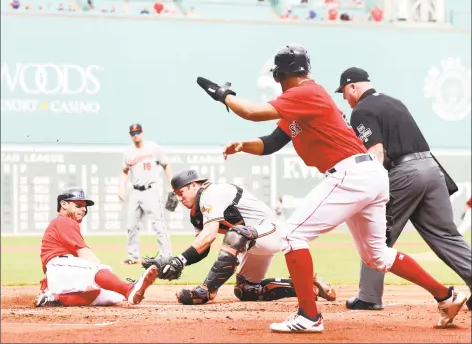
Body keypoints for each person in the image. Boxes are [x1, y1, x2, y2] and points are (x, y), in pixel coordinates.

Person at [194, 44, 468, 332]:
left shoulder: (305, 92)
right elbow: (272, 142)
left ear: (279, 74)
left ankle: (309, 316)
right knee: (377, 255)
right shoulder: (302, 100)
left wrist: (224, 96)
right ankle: (446, 296)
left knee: (291, 235)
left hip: (352, 173)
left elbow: (251, 112)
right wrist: (242, 145)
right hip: (368, 174)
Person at [336, 67, 472, 312]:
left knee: (375, 234)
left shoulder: (361, 111)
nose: (344, 97)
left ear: (353, 87)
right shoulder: (394, 102)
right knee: (446, 234)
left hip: (405, 172)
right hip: (432, 168)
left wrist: (369, 188)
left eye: (344, 91)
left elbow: (376, 153)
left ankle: (368, 296)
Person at [141, 169, 336, 305]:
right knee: (246, 291)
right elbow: (202, 249)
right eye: (176, 195)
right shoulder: (195, 213)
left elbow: (209, 236)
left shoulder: (211, 193)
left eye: (181, 193)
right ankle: (308, 285)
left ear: (193, 185)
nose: (180, 198)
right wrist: (173, 263)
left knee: (236, 232)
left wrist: (180, 260)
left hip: (272, 232)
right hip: (251, 242)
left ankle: (206, 291)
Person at [35, 188, 158, 307]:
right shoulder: (63, 221)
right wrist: (103, 274)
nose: (83, 209)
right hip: (59, 266)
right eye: (78, 205)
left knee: (111, 296)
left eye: (85, 206)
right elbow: (86, 255)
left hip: (61, 273)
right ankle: (129, 288)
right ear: (64, 204)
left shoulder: (64, 222)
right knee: (99, 269)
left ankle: (53, 299)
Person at [119, 123, 173, 265]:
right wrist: (121, 188)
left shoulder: (153, 147)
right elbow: (124, 171)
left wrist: (171, 184)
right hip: (135, 191)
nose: (135, 135)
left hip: (151, 190)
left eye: (137, 132)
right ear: (130, 135)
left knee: (158, 224)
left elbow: (166, 164)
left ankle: (166, 256)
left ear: (142, 133)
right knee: (131, 225)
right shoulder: (128, 152)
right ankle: (132, 257)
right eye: (132, 133)